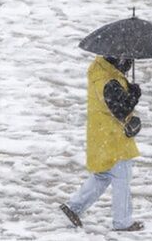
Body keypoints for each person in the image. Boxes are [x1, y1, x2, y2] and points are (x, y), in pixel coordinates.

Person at [60, 55, 144, 231]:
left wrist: (128, 88)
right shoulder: (108, 81)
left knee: (102, 175)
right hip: (114, 139)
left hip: (101, 136)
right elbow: (120, 109)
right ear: (118, 60)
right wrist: (134, 94)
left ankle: (74, 207)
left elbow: (114, 102)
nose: (127, 66)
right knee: (122, 179)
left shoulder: (102, 72)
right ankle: (123, 222)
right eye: (126, 61)